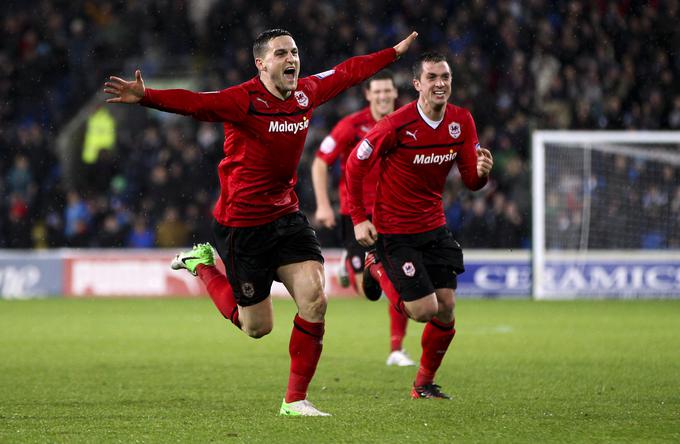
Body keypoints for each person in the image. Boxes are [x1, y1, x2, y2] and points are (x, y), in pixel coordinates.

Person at [104, 28, 417, 416]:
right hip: (242, 224)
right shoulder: (243, 100)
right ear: (261, 63)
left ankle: (295, 400)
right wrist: (146, 96)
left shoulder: (305, 93)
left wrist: (393, 53)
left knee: (315, 298)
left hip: (286, 216)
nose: (291, 59)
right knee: (256, 327)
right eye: (281, 53)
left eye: (294, 52)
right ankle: (203, 265)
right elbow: (195, 103)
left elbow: (348, 71)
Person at [345, 52, 493, 399]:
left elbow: (471, 180)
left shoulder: (462, 122)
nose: (440, 83)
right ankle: (375, 265)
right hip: (395, 231)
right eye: (432, 78)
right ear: (417, 85)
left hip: (434, 227)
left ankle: (423, 383)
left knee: (446, 308)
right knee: (424, 310)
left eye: (445, 77)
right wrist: (358, 217)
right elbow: (354, 164)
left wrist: (482, 176)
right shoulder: (395, 125)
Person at [310, 70, 415, 367]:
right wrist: (323, 205)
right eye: (377, 92)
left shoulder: (407, 123)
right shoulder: (350, 126)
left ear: (395, 94)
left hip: (394, 212)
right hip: (356, 213)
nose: (383, 97)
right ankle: (352, 264)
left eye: (387, 92)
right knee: (367, 292)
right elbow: (320, 162)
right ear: (368, 95)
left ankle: (396, 348)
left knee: (398, 278)